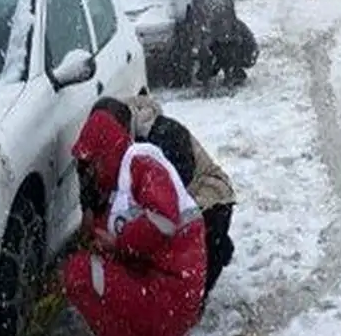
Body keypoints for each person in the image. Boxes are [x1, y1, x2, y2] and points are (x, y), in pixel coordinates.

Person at [61, 108, 207, 336]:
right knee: (92, 266)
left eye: (94, 162)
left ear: (105, 154)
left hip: (170, 296)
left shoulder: (141, 164)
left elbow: (163, 220)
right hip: (172, 294)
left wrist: (119, 243)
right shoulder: (125, 179)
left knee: (79, 274)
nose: (92, 171)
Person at [95, 94, 237, 307]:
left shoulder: (164, 135)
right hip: (188, 202)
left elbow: (172, 196)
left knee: (187, 293)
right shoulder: (117, 134)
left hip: (210, 197)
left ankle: (214, 249)